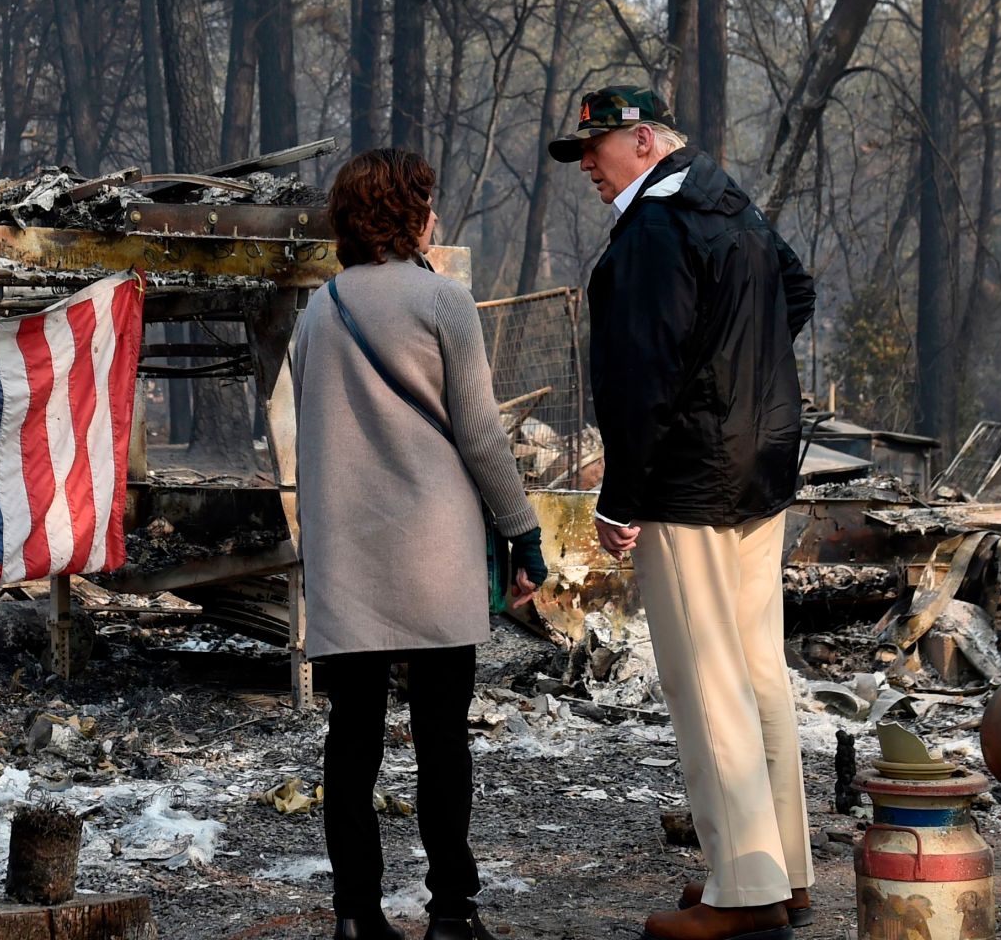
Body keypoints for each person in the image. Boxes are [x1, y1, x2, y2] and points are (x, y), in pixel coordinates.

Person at [549, 88, 817, 940]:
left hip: (689, 480)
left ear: (642, 140)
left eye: (594, 148)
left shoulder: (654, 232)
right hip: (760, 467)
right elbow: (794, 293)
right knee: (758, 672)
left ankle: (745, 893)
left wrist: (621, 498)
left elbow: (640, 382)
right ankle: (784, 871)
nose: (587, 165)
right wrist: (745, 380)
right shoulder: (727, 202)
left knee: (707, 683)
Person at [292, 147, 548, 940]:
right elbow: (478, 435)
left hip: (346, 558)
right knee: (442, 736)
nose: (436, 215)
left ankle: (355, 915)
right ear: (410, 215)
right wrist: (522, 530)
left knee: (352, 740)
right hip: (435, 551)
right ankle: (449, 912)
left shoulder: (316, 314)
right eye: (427, 203)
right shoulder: (445, 302)